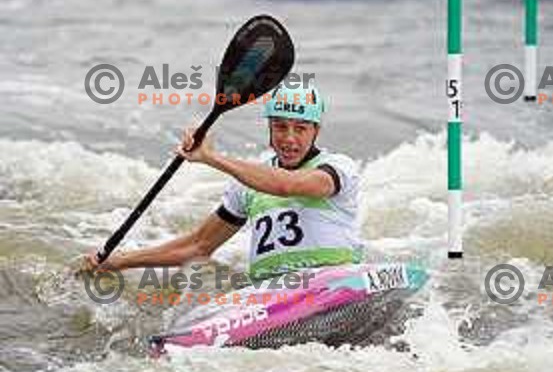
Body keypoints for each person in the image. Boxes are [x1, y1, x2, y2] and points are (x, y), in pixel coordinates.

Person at [84, 83, 363, 280]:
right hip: (271, 294)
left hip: (331, 282)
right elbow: (198, 247)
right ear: (269, 127)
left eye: (301, 129)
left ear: (316, 131)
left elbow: (289, 186)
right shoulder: (245, 185)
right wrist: (119, 262)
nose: (289, 138)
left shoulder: (338, 168)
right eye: (280, 127)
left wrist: (210, 158)